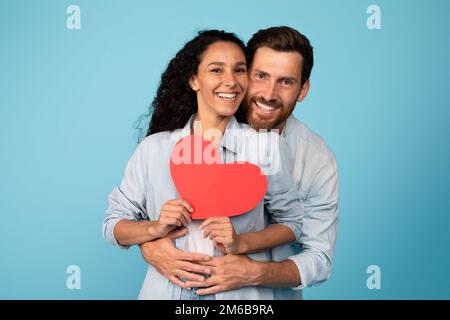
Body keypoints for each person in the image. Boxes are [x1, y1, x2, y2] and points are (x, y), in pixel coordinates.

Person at [139, 26, 339, 300]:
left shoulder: (316, 159)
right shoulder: (180, 141)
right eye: (260, 76)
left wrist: (252, 272)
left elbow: (319, 257)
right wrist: (150, 243)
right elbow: (136, 213)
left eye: (286, 82)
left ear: (303, 89)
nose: (269, 94)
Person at [103, 30, 304, 300]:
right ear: (194, 80)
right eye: (216, 70)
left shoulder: (265, 147)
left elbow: (292, 223)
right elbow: (113, 225)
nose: (230, 82)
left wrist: (241, 241)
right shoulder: (154, 149)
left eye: (239, 70)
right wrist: (155, 229)